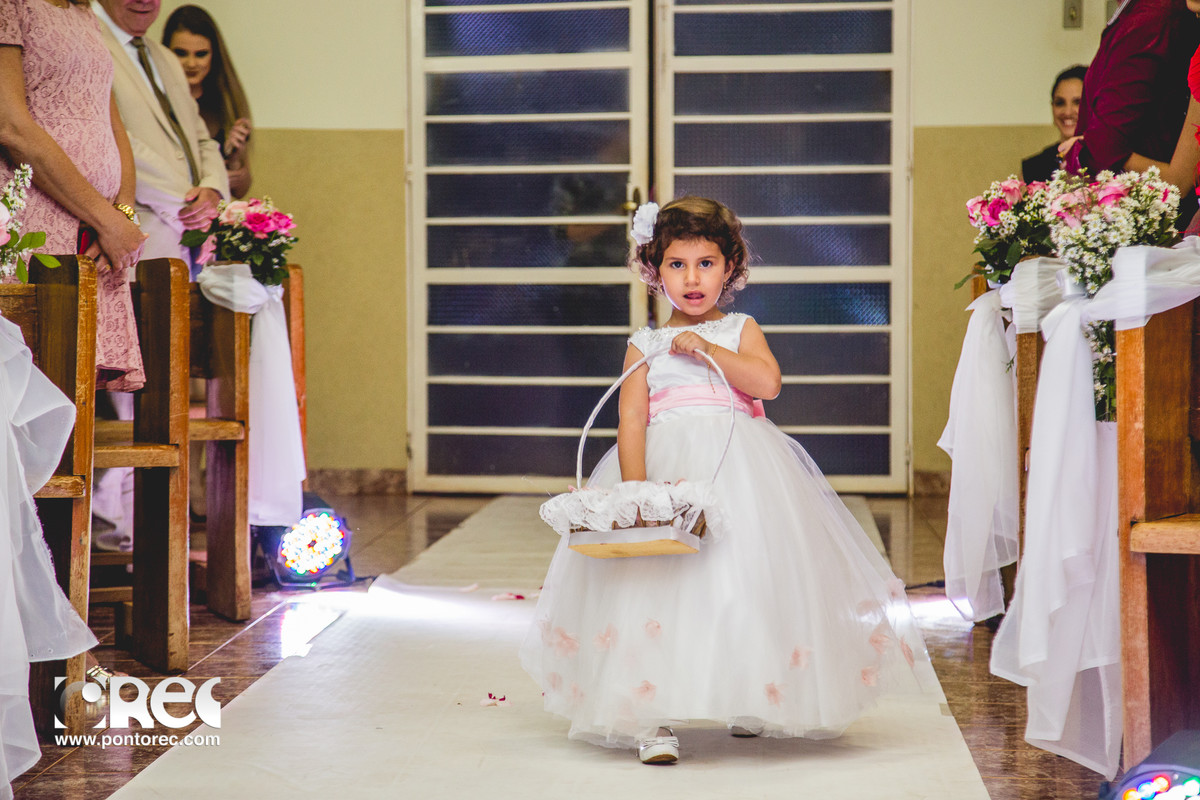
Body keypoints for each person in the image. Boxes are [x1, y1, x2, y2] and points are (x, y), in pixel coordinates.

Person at [519, 196, 933, 765]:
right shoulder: (644, 345)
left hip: (740, 470)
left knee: (743, 580)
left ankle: (748, 691)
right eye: (677, 264)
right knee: (655, 587)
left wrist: (710, 349)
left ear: (729, 267)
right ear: (654, 270)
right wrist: (638, 492)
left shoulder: (740, 330)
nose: (692, 279)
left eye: (706, 264)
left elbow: (768, 384)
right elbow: (631, 419)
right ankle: (650, 714)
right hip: (668, 472)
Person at [0, 0, 147, 392]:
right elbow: (10, 125)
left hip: (94, 227)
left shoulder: (84, 13)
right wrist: (106, 219)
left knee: (78, 385)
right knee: (32, 381)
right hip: (33, 213)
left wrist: (123, 213)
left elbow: (113, 125)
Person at [93, 0, 229, 276]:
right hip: (144, 232)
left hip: (193, 239)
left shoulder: (165, 57)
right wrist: (190, 206)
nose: (145, 1)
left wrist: (212, 190)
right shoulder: (91, 44)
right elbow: (110, 138)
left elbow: (201, 138)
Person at [162, 5, 252, 199]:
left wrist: (235, 160)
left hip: (213, 210)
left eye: (201, 54)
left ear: (214, 55)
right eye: (181, 53)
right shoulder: (156, 99)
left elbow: (241, 190)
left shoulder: (226, 101)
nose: (191, 64)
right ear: (164, 52)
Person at [1021, 65, 1086, 183]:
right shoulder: (1033, 167)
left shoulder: (1108, 161)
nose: (1067, 112)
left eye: (1078, 102)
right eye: (1060, 103)